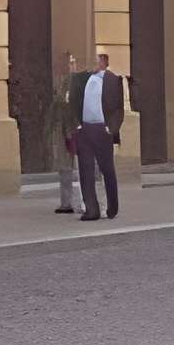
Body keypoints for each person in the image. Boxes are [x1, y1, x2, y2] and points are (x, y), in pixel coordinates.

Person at [68, 49, 125, 222]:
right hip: (85, 129)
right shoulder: (81, 79)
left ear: (104, 63)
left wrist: (112, 129)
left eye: (96, 61)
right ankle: (91, 210)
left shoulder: (113, 80)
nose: (92, 64)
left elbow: (118, 108)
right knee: (85, 170)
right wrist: (77, 125)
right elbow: (73, 102)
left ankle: (112, 206)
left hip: (102, 129)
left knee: (107, 169)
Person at [53, 51, 81, 212]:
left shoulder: (82, 83)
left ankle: (85, 202)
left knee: (84, 169)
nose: (70, 66)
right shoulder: (61, 82)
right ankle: (66, 203)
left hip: (78, 130)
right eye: (68, 63)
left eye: (73, 62)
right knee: (64, 168)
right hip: (63, 131)